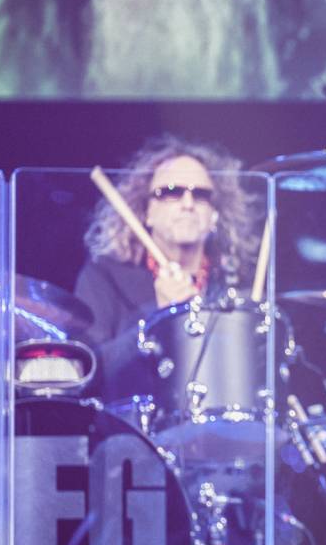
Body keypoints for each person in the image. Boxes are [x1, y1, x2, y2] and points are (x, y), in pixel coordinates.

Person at [75, 134, 263, 399]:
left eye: (201, 194)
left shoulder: (236, 282)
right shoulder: (104, 276)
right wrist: (159, 318)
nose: (188, 204)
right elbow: (88, 372)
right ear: (146, 212)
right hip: (135, 432)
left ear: (214, 215)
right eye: (171, 193)